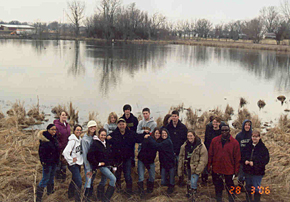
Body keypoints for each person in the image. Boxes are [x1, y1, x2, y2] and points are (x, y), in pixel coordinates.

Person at [107, 118, 143, 196]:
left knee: (127, 176)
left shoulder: (131, 134)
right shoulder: (113, 135)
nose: (121, 126)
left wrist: (146, 135)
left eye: (123, 124)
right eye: (120, 124)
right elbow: (106, 143)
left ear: (125, 125)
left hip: (127, 159)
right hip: (117, 159)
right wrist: (107, 138)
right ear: (117, 125)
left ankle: (129, 192)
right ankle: (118, 191)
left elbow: (139, 138)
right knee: (117, 176)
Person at [208, 125, 241, 202]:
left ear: (229, 131)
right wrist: (209, 166)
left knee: (230, 188)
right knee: (218, 188)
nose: (224, 132)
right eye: (222, 130)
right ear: (220, 131)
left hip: (229, 169)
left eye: (226, 130)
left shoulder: (234, 143)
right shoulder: (214, 141)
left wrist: (236, 170)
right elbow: (210, 154)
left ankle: (231, 200)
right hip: (217, 169)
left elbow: (237, 157)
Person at [87, 128, 116, 202]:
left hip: (108, 165)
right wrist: (97, 163)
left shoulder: (106, 142)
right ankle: (106, 199)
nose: (103, 136)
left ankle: (100, 197)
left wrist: (113, 165)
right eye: (102, 135)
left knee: (104, 180)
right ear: (99, 135)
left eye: (104, 135)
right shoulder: (95, 143)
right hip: (102, 166)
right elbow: (89, 156)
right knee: (113, 179)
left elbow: (110, 154)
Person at [178, 130, 208, 198]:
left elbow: (203, 159)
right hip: (187, 166)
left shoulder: (200, 146)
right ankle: (189, 193)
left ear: (194, 136)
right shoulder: (184, 146)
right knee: (189, 181)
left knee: (193, 182)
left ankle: (193, 195)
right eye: (188, 136)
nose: (189, 137)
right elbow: (181, 157)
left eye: (191, 136)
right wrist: (180, 169)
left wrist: (198, 170)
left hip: (195, 167)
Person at [242, 130, 269, 202]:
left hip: (257, 172)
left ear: (259, 137)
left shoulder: (263, 148)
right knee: (248, 187)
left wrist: (255, 163)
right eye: (253, 136)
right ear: (251, 137)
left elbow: (265, 160)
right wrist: (245, 161)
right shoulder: (247, 146)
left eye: (256, 137)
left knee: (256, 187)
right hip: (248, 171)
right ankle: (248, 200)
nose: (254, 138)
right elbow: (242, 156)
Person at [146, 128, 175, 194]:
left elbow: (157, 146)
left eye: (165, 133)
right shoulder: (161, 141)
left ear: (167, 134)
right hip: (163, 163)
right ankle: (167, 187)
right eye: (162, 134)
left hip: (170, 163)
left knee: (171, 180)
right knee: (163, 181)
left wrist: (150, 138)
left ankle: (171, 191)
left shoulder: (168, 141)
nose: (164, 135)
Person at [36, 124, 59, 202]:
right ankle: (38, 198)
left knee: (51, 178)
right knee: (45, 179)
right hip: (47, 164)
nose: (54, 131)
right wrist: (44, 163)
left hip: (54, 162)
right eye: (52, 129)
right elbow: (41, 154)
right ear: (48, 130)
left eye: (55, 130)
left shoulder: (54, 138)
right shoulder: (45, 140)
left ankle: (50, 193)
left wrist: (57, 161)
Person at [137, 127, 161, 197]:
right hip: (142, 159)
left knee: (152, 176)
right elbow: (143, 151)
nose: (158, 135)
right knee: (141, 176)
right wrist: (146, 164)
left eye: (159, 133)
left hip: (151, 161)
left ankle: (149, 191)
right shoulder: (148, 139)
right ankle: (141, 192)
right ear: (154, 133)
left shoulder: (159, 141)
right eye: (156, 133)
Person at [63, 125, 83, 202]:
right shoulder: (72, 141)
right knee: (79, 182)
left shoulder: (80, 140)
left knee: (74, 179)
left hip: (78, 163)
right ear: (74, 131)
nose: (79, 131)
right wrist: (71, 160)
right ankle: (77, 199)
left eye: (80, 130)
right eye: (77, 130)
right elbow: (65, 152)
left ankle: (70, 194)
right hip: (73, 165)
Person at [165, 110, 188, 181]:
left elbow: (185, 140)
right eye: (173, 116)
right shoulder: (168, 127)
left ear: (178, 117)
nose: (174, 118)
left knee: (180, 165)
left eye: (175, 116)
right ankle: (171, 179)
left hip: (180, 150)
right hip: (170, 150)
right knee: (171, 165)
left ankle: (181, 179)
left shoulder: (183, 127)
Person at [202, 116, 223, 184]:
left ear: (219, 123)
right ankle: (204, 178)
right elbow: (206, 140)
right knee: (207, 164)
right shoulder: (209, 130)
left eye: (217, 122)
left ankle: (217, 179)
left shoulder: (221, 132)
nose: (215, 124)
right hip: (209, 149)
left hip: (218, 151)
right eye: (214, 122)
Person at [82, 120, 97, 201]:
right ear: (88, 128)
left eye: (94, 127)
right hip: (88, 163)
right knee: (88, 179)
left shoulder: (95, 137)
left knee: (92, 179)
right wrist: (87, 166)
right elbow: (84, 154)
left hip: (94, 162)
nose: (93, 128)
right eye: (91, 127)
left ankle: (90, 195)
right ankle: (85, 197)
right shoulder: (85, 139)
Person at [54, 111, 71, 181]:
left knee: (64, 163)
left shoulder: (67, 125)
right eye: (63, 115)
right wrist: (60, 146)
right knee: (58, 163)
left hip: (66, 148)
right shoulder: (56, 126)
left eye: (65, 115)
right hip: (59, 148)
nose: (64, 116)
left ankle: (63, 178)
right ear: (60, 116)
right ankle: (57, 179)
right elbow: (55, 138)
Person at [236, 119, 252, 189]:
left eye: (249, 125)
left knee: (249, 174)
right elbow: (236, 147)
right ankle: (240, 187)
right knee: (241, 175)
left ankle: (249, 187)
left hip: (250, 158)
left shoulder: (252, 135)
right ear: (243, 126)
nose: (247, 126)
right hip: (241, 158)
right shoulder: (239, 136)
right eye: (246, 125)